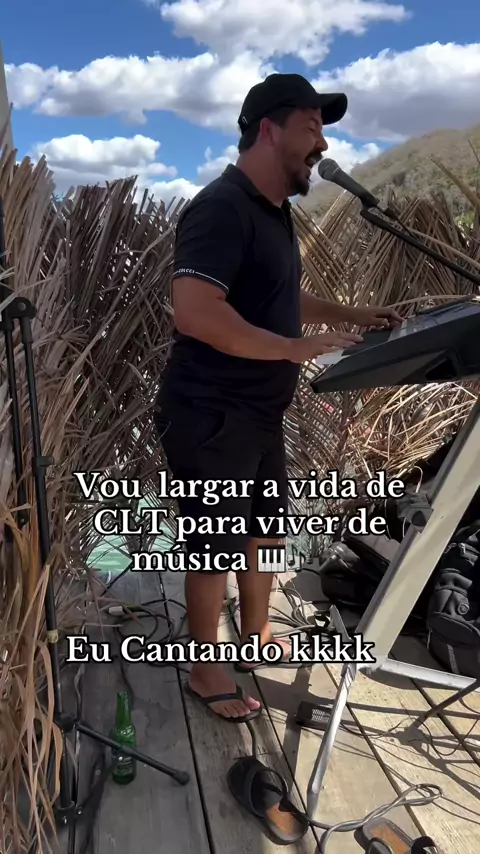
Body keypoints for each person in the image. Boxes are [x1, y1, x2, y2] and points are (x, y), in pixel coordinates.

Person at [154, 73, 401, 723]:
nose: (323, 143)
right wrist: (291, 348)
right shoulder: (220, 208)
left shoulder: (273, 213)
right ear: (268, 130)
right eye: (311, 127)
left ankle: (257, 630)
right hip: (210, 413)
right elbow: (196, 311)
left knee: (264, 529)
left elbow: (280, 294)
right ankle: (205, 669)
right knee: (214, 544)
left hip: (259, 413)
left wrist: (351, 314)